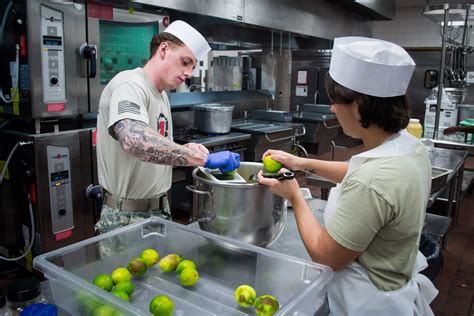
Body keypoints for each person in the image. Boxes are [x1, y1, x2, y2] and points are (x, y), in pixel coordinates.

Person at [258, 37, 438, 315]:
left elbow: (325, 255)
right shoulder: (408, 147)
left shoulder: (373, 180)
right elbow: (360, 172)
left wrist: (293, 194)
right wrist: (301, 162)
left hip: (366, 304)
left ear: (358, 106)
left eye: (335, 101)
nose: (331, 109)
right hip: (394, 286)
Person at [95, 20, 240, 234]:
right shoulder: (130, 85)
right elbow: (135, 142)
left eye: (192, 66)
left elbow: (153, 154)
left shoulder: (161, 95)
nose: (189, 73)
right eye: (185, 62)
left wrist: (185, 150)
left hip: (158, 211)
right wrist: (203, 159)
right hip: (125, 219)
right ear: (163, 49)